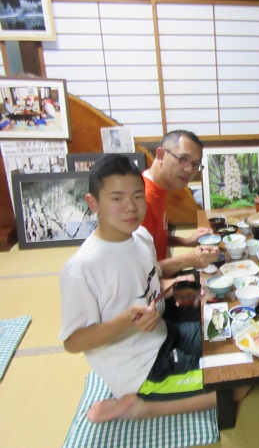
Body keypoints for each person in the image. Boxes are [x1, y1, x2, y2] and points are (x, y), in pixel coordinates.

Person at [59, 154, 248, 423]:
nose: (130, 207)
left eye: (137, 196)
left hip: (165, 333)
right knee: (240, 382)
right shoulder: (82, 268)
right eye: (117, 198)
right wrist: (126, 320)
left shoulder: (140, 236)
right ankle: (139, 407)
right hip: (143, 368)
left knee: (239, 332)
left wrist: (178, 287)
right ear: (93, 203)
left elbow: (149, 279)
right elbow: (72, 342)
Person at [142, 130, 217, 279]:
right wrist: (188, 259)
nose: (189, 170)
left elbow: (154, 238)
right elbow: (141, 274)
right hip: (152, 287)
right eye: (183, 159)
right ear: (161, 155)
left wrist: (186, 241)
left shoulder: (160, 188)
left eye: (195, 164)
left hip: (162, 278)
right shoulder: (141, 200)